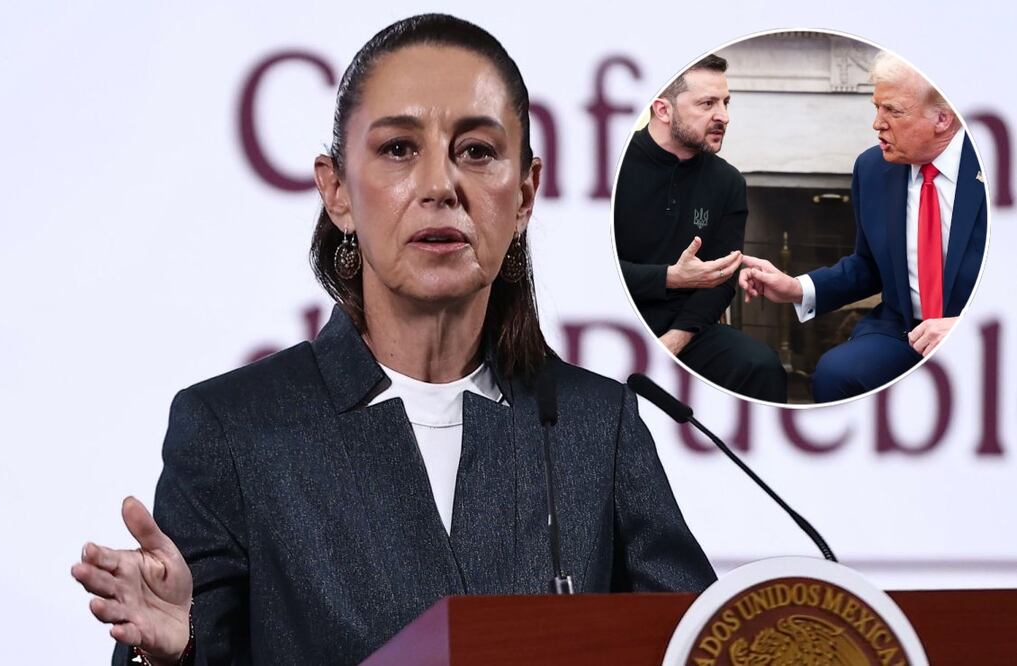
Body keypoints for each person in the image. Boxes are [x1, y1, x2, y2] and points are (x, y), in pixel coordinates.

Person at [71, 15, 716, 666]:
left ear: (524, 195)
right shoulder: (234, 431)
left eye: (476, 151)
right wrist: (174, 655)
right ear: (337, 192)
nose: (440, 186)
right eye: (399, 150)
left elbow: (704, 643)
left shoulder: (593, 426)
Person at [738, 52, 987, 403]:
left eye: (893, 111)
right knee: (836, 373)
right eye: (877, 107)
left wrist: (966, 326)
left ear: (943, 119)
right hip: (904, 331)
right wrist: (795, 288)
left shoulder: (999, 168)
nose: (877, 124)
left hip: (988, 332)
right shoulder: (873, 168)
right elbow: (867, 266)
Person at [614, 55, 787, 403]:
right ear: (663, 110)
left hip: (687, 331)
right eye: (707, 103)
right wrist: (668, 277)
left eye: (725, 102)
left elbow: (721, 278)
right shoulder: (612, 169)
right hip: (611, 324)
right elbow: (590, 270)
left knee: (761, 365)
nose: (723, 115)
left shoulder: (728, 182)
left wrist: (675, 340)